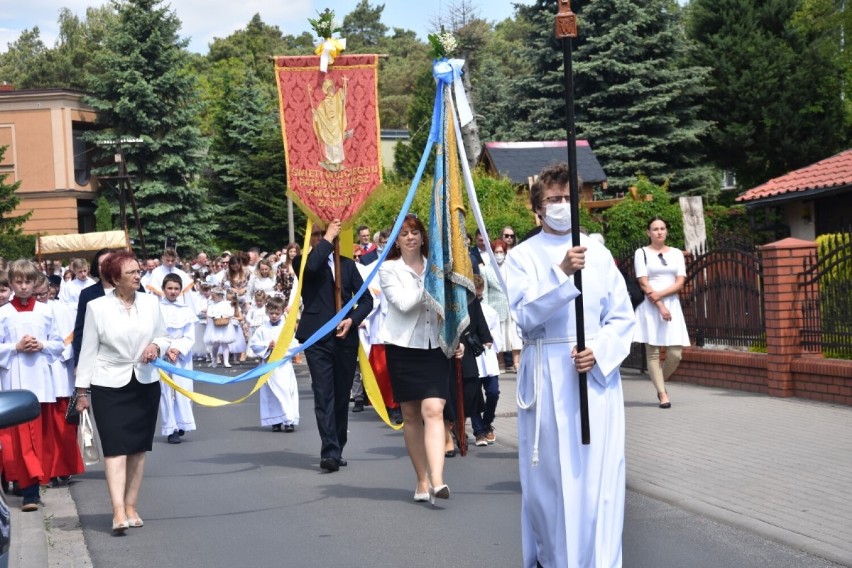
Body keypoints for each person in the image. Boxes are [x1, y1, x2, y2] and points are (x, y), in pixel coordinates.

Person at [505, 163, 635, 567]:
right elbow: (524, 316)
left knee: (599, 479)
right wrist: (562, 274)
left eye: (568, 198)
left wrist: (599, 351)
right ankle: (554, 559)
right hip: (548, 376)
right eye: (553, 200)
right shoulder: (522, 257)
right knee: (552, 485)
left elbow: (622, 317)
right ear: (537, 208)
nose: (562, 206)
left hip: (593, 379)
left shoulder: (599, 253)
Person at [74, 251, 171, 533]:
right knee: (115, 449)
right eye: (131, 273)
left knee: (138, 449)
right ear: (115, 279)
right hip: (109, 384)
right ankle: (117, 511)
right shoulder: (96, 307)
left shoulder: (152, 303)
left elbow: (163, 335)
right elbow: (88, 349)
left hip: (144, 382)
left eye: (139, 271)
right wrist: (82, 391)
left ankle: (131, 505)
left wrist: (157, 346)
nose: (138, 276)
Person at [378, 214, 463, 504]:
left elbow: (452, 306)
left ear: (424, 237)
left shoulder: (436, 268)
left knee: (434, 410)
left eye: (415, 232)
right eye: (404, 234)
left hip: (435, 348)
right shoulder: (389, 269)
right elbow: (402, 304)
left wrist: (457, 337)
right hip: (403, 349)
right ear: (397, 241)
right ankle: (421, 479)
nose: (410, 237)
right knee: (412, 415)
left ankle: (438, 480)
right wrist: (430, 283)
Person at [0, 260, 79, 511]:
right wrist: (16, 347)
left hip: (42, 383)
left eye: (28, 282)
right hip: (15, 379)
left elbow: (57, 343)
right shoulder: (3, 313)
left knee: (39, 437)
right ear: (11, 284)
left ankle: (33, 483)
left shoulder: (46, 312)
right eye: (18, 282)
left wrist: (42, 345)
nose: (23, 287)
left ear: (35, 283)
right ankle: (29, 490)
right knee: (21, 437)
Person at [294, 220, 372, 472]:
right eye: (315, 234)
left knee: (340, 396)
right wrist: (328, 237)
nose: (319, 238)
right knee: (323, 394)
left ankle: (338, 445)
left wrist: (352, 320)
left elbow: (367, 301)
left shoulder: (348, 266)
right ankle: (328, 451)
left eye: (323, 234)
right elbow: (315, 264)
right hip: (317, 339)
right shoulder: (303, 263)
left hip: (344, 340)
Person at [634, 216, 690, 409]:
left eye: (662, 228)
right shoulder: (641, 253)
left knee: (675, 353)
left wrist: (661, 295)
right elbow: (643, 282)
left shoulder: (676, 253)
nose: (659, 232)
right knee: (653, 353)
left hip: (672, 303)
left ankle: (659, 380)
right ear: (648, 233)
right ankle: (662, 393)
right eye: (655, 229)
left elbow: (680, 282)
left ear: (666, 231)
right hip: (650, 307)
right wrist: (659, 303)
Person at [249, 296, 299, 432]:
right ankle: (275, 420)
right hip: (269, 366)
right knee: (271, 393)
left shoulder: (286, 328)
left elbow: (294, 345)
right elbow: (254, 344)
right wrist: (267, 345)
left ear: (283, 312)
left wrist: (280, 348)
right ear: (267, 312)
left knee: (285, 390)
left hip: (283, 365)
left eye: (277, 313)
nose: (274, 316)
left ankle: (289, 420)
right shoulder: (262, 329)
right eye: (271, 313)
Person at [158, 274, 198, 444]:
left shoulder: (186, 310)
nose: (173, 292)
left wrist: (176, 349)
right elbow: (155, 332)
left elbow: (190, 336)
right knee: (167, 393)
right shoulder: (156, 308)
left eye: (176, 289)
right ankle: (171, 428)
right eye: (170, 288)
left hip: (181, 356)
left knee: (184, 390)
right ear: (163, 289)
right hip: (163, 355)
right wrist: (167, 349)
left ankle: (182, 422)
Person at [309, 77, 351, 172]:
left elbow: (342, 100)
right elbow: (319, 115)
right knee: (329, 145)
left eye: (332, 88)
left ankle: (338, 162)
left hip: (336, 125)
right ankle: (330, 161)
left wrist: (343, 91)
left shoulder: (336, 98)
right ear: (326, 91)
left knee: (337, 144)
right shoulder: (323, 104)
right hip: (327, 127)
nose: (331, 90)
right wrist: (315, 114)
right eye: (329, 89)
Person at [204, 287, 234, 368]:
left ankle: (226, 361)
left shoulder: (226, 304)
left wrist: (225, 315)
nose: (213, 298)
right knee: (216, 344)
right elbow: (209, 313)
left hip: (225, 325)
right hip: (215, 326)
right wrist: (215, 316)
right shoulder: (211, 304)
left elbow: (231, 313)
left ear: (220, 296)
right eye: (212, 296)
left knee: (225, 344)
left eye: (214, 296)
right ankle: (214, 358)